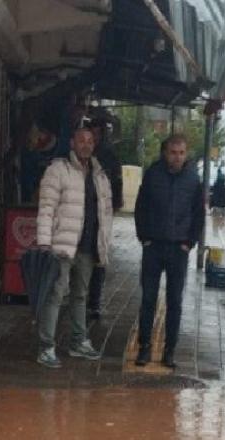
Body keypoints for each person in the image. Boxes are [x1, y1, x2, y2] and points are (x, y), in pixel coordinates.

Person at [34, 126, 114, 369]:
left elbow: (106, 213)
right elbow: (46, 207)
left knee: (80, 295)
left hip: (88, 246)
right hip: (61, 245)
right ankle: (46, 347)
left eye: (90, 141)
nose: (86, 145)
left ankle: (79, 342)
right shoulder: (58, 170)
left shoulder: (100, 175)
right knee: (55, 295)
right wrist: (44, 243)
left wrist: (104, 244)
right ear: (72, 143)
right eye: (81, 140)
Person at [134, 134, 204, 369]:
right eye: (173, 153)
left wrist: (189, 242)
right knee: (148, 300)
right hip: (153, 246)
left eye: (181, 153)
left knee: (175, 302)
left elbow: (198, 214)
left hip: (178, 249)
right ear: (165, 153)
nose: (177, 157)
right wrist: (144, 237)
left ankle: (169, 351)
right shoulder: (153, 174)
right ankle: (144, 348)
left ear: (186, 154)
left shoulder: (193, 180)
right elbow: (140, 207)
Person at [86, 118, 124, 321]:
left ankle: (94, 301)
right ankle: (83, 299)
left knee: (99, 258)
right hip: (81, 216)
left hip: (102, 213)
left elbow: (117, 181)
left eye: (96, 134)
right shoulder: (76, 156)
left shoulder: (108, 156)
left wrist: (116, 203)